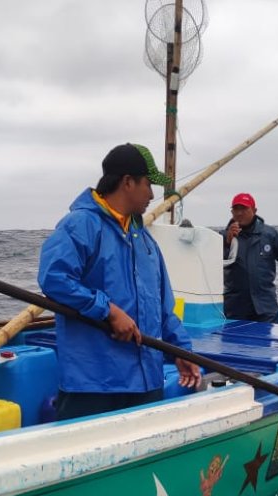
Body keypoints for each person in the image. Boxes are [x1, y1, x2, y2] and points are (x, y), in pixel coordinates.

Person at [38, 143, 201, 421]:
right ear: (128, 182)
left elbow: (163, 309)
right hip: (94, 386)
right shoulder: (80, 225)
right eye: (148, 185)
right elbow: (54, 278)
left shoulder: (146, 241)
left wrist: (181, 352)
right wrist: (109, 311)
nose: (152, 195)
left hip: (146, 383)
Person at [221, 192, 278, 322]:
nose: (239, 213)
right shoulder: (222, 237)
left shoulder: (269, 235)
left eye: (244, 208)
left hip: (265, 306)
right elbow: (209, 262)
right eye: (236, 209)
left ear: (254, 210)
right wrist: (227, 242)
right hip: (235, 308)